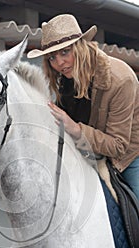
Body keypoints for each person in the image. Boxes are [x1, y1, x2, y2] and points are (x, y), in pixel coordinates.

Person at [27, 14, 139, 199]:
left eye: (65, 52)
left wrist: (76, 129)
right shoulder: (64, 79)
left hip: (128, 157)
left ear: (81, 47)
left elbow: (118, 146)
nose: (59, 63)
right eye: (52, 57)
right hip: (88, 153)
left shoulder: (120, 79)